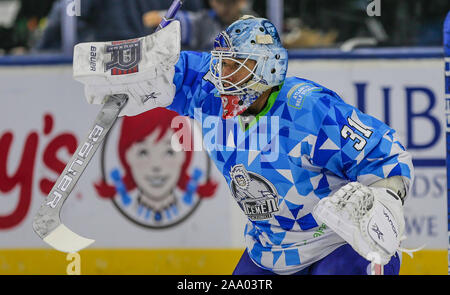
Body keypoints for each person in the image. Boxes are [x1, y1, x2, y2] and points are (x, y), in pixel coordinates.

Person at [73, 16, 414, 275]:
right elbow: (168, 67)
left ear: (268, 68)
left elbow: (385, 154)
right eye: (222, 61)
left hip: (334, 245)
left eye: (236, 65)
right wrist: (126, 63)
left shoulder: (309, 108)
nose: (223, 72)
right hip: (269, 251)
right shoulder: (210, 91)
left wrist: (385, 199)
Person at [142, 0, 257, 50]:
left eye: (228, 3)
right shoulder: (206, 22)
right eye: (219, 2)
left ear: (242, 1)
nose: (222, 8)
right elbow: (191, 22)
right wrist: (162, 17)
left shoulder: (255, 26)